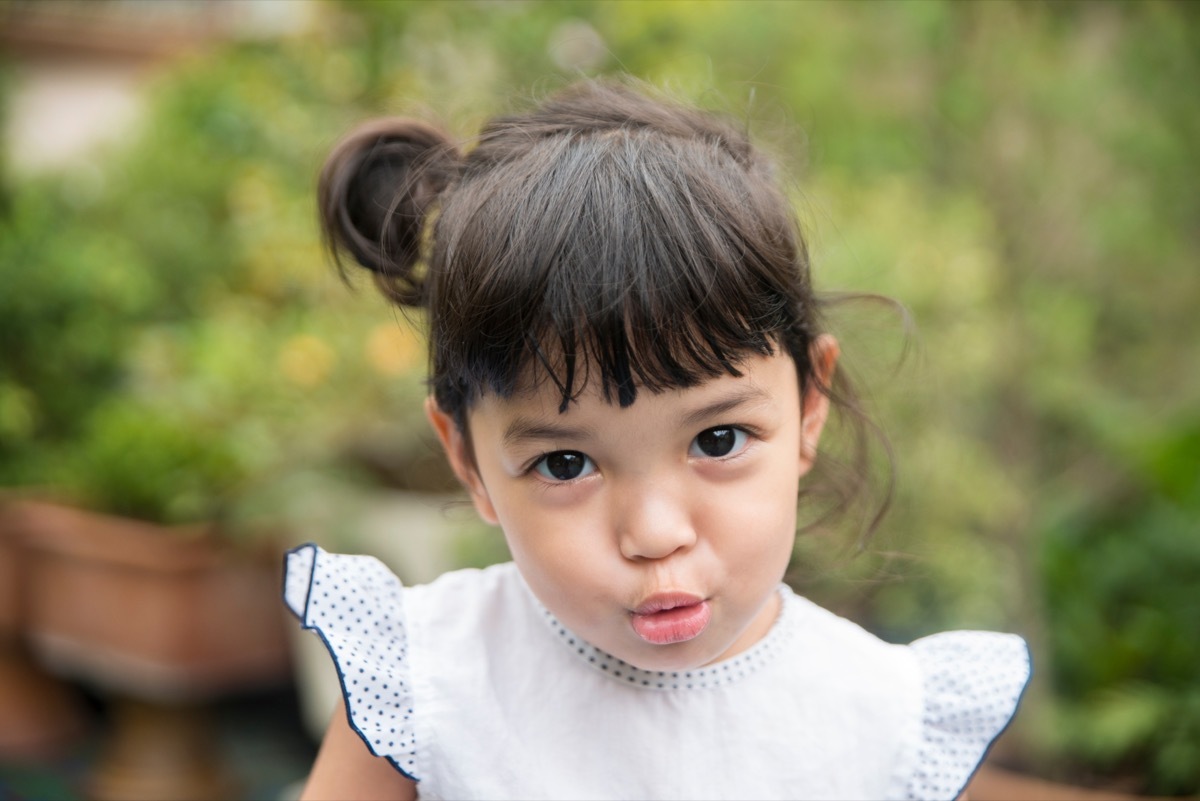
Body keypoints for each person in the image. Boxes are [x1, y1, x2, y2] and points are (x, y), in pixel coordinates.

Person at [283, 78, 1030, 801]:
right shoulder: (425, 687)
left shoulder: (884, 722)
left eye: (718, 440)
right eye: (565, 463)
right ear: (467, 459)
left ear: (809, 405)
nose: (655, 533)